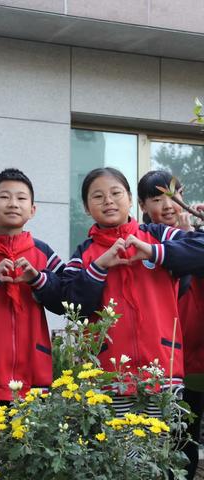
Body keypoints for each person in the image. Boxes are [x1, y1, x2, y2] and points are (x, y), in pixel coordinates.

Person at [61, 167, 204, 417]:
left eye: (116, 193)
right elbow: (68, 299)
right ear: (86, 207)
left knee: (162, 452)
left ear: (129, 199)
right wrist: (98, 267)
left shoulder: (157, 236)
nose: (108, 201)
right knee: (117, 451)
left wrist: (153, 252)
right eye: (97, 196)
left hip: (162, 372)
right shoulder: (84, 253)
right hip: (107, 376)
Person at [0, 168, 65, 417]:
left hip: (34, 377)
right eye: (4, 197)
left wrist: (38, 279)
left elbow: (66, 299)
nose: (13, 203)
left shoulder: (42, 252)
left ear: (32, 210)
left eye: (21, 198)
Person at [138, 170, 204, 479]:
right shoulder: (141, 240)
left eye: (173, 196)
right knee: (161, 439)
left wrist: (196, 233)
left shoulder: (197, 237)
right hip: (161, 360)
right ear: (142, 205)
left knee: (185, 438)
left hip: (195, 355)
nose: (167, 205)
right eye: (156, 198)